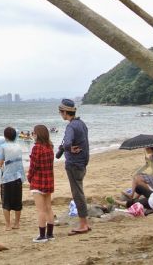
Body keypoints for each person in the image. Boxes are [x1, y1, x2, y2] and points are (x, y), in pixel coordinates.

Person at [56, 98, 90, 235]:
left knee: (77, 194)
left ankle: (83, 224)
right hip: (82, 163)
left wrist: (67, 148)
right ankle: (85, 222)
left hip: (74, 164)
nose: (60, 114)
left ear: (65, 112)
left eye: (60, 112)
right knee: (80, 192)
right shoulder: (81, 124)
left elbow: (68, 143)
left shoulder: (71, 126)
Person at [27, 124, 55, 243]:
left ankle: (42, 235)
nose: (32, 135)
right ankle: (50, 234)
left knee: (41, 210)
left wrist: (29, 177)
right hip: (48, 180)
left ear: (37, 134)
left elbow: (33, 166)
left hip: (38, 181)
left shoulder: (37, 148)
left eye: (33, 133)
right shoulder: (49, 147)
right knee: (48, 208)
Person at [0, 126, 24, 231]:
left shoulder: (2, 147)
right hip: (18, 176)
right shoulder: (19, 146)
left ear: (5, 136)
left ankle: (8, 225)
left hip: (7, 178)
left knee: (6, 202)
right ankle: (17, 223)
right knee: (17, 201)